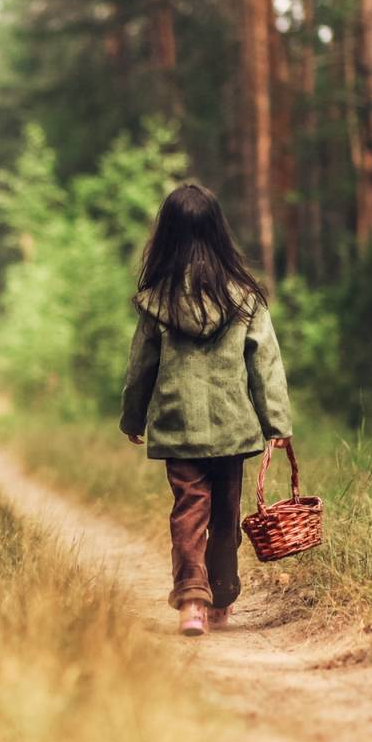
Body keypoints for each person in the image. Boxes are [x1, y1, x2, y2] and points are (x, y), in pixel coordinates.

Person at [120, 184, 292, 637]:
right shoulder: (245, 298)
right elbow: (265, 363)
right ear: (218, 232)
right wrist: (277, 423)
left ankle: (193, 600)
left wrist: (133, 417)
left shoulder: (157, 301)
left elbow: (141, 367)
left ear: (167, 235)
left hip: (180, 428)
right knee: (223, 517)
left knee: (189, 510)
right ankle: (221, 599)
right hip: (233, 428)